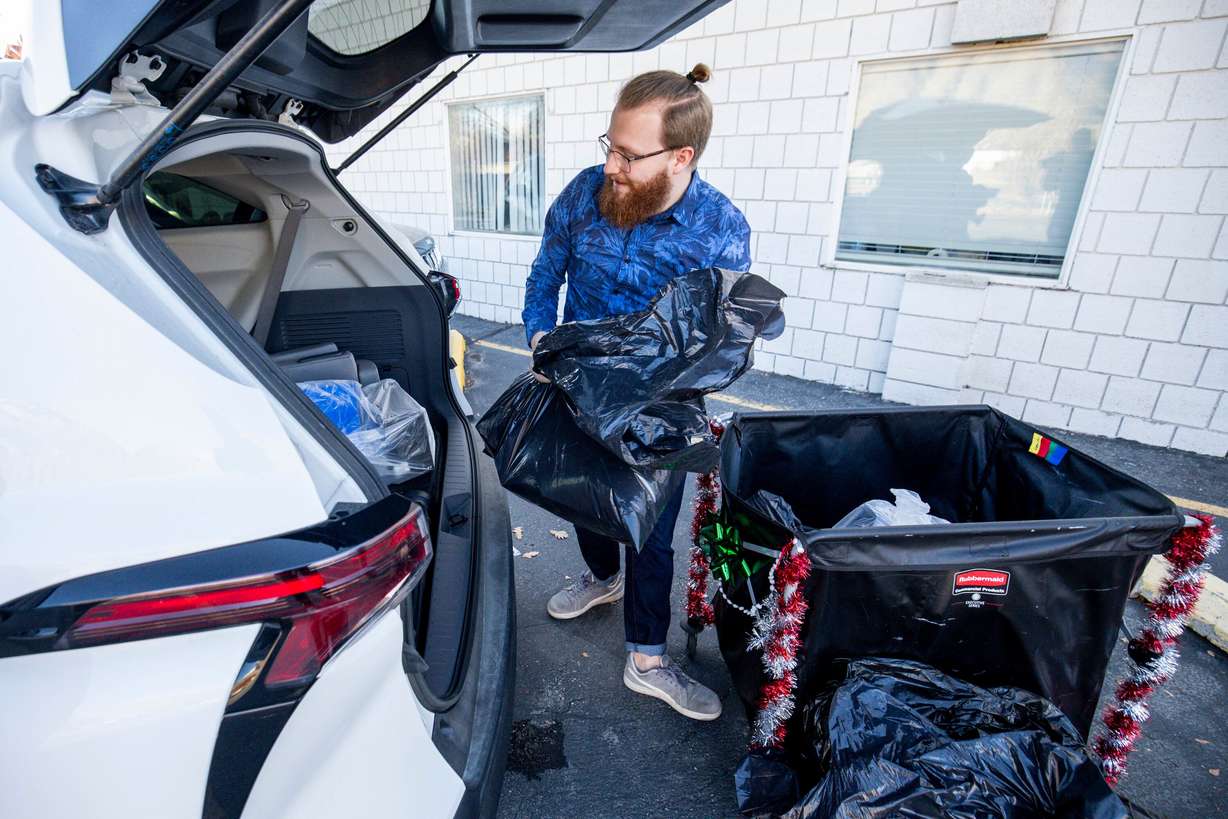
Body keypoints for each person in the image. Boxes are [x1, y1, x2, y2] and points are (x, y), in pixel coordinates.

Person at [521, 63, 751, 721]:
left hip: (666, 400)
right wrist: (542, 340)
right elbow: (545, 276)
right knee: (587, 501)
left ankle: (647, 656)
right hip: (579, 384)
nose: (612, 167)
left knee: (651, 528)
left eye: (629, 154)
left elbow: (724, 339)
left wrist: (667, 382)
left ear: (682, 156)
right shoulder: (582, 194)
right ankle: (601, 577)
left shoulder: (721, 230)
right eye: (609, 146)